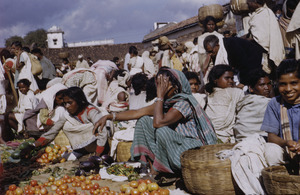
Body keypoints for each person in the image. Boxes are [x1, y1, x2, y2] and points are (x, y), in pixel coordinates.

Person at [93, 67, 217, 175]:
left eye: (163, 84)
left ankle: (161, 170)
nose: (159, 88)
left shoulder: (183, 103)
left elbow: (158, 122)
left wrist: (160, 96)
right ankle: (150, 166)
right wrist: (109, 117)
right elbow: (137, 112)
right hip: (176, 146)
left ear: (175, 86)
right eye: (158, 84)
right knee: (143, 121)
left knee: (162, 130)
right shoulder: (166, 103)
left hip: (191, 149)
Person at [31, 87, 108, 159]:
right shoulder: (67, 114)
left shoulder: (90, 111)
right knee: (65, 125)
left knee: (98, 128)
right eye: (65, 103)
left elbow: (103, 132)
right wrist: (33, 145)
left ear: (79, 101)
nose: (67, 106)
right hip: (82, 146)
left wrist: (97, 156)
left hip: (98, 144)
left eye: (70, 103)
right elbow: (53, 131)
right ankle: (81, 150)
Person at [261, 59, 300, 159]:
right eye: (283, 84)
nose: (288, 89)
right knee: (271, 152)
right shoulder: (275, 104)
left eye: (294, 83)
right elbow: (271, 137)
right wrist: (286, 142)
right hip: (286, 152)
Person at [205, 65, 244, 143]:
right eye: (227, 78)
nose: (231, 81)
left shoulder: (236, 93)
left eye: (232, 78)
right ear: (215, 80)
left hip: (228, 136)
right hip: (209, 134)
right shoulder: (207, 96)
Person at [234, 69, 273, 142]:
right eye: (262, 85)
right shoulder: (247, 102)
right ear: (251, 88)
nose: (267, 88)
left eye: (269, 84)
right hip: (247, 140)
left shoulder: (270, 102)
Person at [246, 0, 285, 71]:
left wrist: (247, 41)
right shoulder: (257, 14)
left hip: (263, 53)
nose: (247, 5)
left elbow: (263, 40)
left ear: (255, 1)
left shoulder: (264, 14)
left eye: (248, 2)